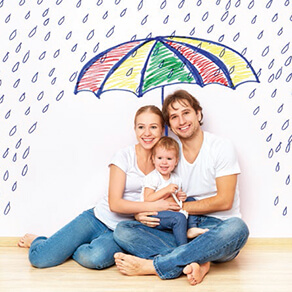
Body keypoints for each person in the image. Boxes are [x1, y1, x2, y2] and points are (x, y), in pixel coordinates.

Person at [113, 90, 249, 285]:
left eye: (186, 113)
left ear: (198, 114)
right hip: (178, 229)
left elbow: (225, 201)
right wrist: (142, 212)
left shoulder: (221, 147)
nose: (181, 121)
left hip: (217, 229)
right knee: (123, 230)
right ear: (170, 125)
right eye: (174, 117)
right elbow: (153, 193)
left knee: (238, 229)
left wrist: (180, 209)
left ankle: (155, 266)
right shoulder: (168, 153)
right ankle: (200, 262)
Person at [18, 105, 180, 269]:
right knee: (40, 258)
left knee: (95, 258)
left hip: (122, 231)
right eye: (141, 127)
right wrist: (152, 206)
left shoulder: (166, 162)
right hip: (97, 218)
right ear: (135, 129)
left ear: (162, 129)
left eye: (153, 127)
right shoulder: (124, 156)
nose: (147, 133)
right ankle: (40, 240)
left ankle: (68, 247)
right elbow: (114, 204)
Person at [142, 136, 208, 245]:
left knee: (192, 200)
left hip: (171, 210)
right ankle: (183, 247)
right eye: (160, 158)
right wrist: (166, 190)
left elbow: (177, 199)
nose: (164, 162)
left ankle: (191, 228)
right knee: (179, 218)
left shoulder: (176, 178)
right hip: (155, 213)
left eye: (169, 159)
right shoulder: (153, 177)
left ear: (176, 161)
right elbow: (148, 199)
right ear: (153, 159)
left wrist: (180, 196)